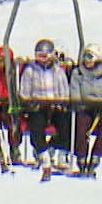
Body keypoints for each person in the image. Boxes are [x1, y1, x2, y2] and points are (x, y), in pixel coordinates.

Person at [17, 38, 72, 175]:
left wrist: (61, 103)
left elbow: (64, 90)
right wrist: (30, 103)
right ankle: (44, 155)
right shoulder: (30, 70)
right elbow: (24, 91)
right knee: (36, 126)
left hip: (54, 105)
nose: (42, 60)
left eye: (44, 56)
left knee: (65, 123)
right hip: (38, 106)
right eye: (39, 56)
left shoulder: (58, 71)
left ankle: (60, 154)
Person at [66, 44, 102, 176]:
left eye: (90, 57)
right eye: (85, 56)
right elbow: (75, 91)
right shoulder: (78, 73)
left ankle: (97, 155)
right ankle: (81, 157)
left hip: (101, 108)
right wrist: (79, 104)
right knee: (82, 124)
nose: (87, 60)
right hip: (84, 107)